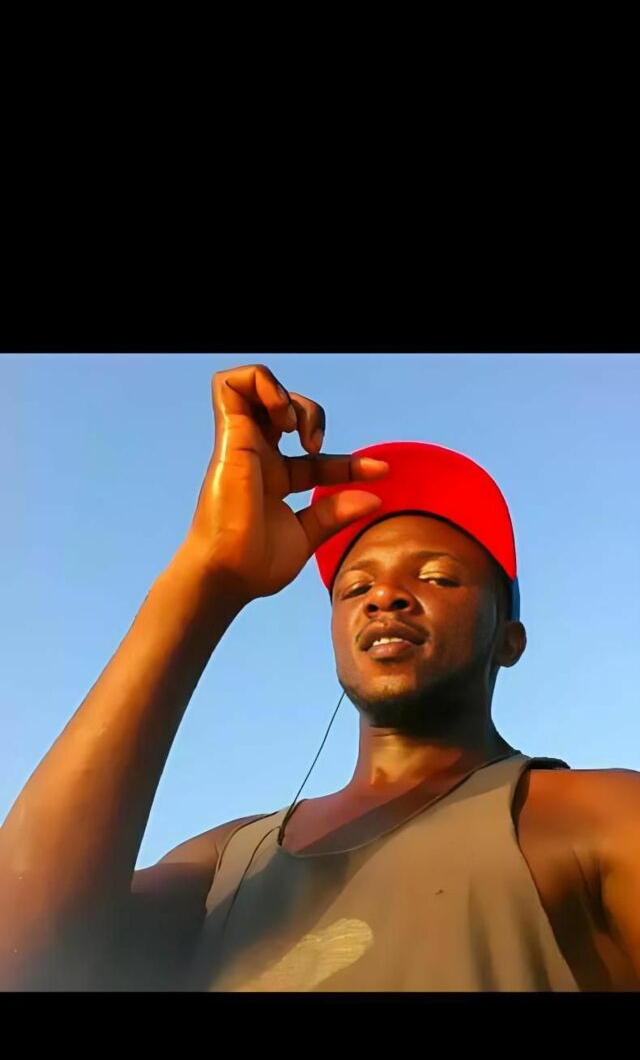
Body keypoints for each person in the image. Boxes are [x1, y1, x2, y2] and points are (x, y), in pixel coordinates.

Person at [1, 364, 639, 992]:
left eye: (437, 577)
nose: (384, 596)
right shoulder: (226, 864)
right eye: (356, 587)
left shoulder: (594, 815)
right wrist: (206, 579)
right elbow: (23, 959)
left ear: (510, 640)